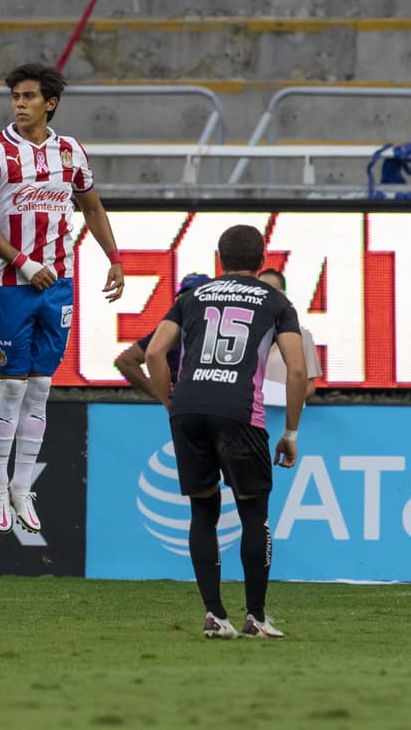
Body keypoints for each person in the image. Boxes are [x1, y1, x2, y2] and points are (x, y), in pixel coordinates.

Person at [0, 63, 124, 534]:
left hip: (59, 283)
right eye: (15, 96)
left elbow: (92, 207)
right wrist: (22, 262)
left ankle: (21, 486)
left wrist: (114, 258)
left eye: (29, 96)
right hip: (12, 282)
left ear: (49, 103)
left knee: (41, 387)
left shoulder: (71, 151)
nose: (19, 103)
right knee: (12, 385)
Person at [143, 224, 307, 639]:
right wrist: (290, 431)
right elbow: (298, 368)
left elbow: (153, 353)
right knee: (254, 515)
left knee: (203, 512)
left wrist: (170, 402)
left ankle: (215, 616)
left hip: (189, 408)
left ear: (220, 258)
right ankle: (256, 616)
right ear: (261, 257)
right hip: (239, 412)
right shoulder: (276, 301)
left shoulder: (191, 297)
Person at [114, 273, 210, 401]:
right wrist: (162, 395)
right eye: (184, 296)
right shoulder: (174, 329)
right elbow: (125, 361)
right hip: (189, 404)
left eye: (195, 295)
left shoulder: (224, 326)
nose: (190, 300)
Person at [257, 268, 323, 403]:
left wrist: (285, 399)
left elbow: (309, 386)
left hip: (283, 414)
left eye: (273, 292)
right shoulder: (242, 332)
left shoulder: (302, 336)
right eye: (261, 291)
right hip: (248, 415)